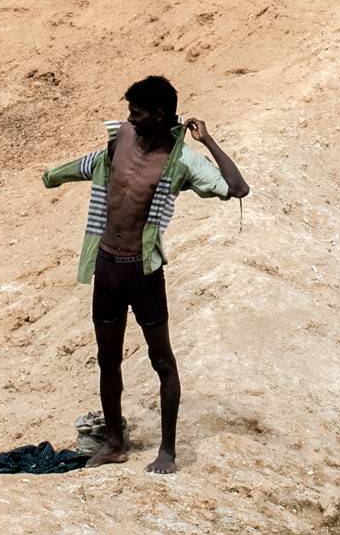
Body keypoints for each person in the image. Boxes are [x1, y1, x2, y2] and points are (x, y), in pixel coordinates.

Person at [38, 77, 250, 473]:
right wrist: (53, 175)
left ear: (159, 115)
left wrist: (207, 140)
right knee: (107, 359)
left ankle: (167, 451)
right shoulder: (120, 136)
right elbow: (93, 165)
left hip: (143, 270)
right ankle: (114, 443)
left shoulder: (180, 161)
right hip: (107, 265)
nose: (130, 118)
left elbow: (237, 188)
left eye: (137, 112)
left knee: (161, 359)